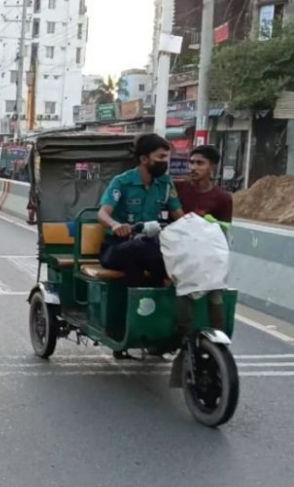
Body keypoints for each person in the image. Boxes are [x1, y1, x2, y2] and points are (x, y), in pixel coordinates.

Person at [170, 145, 233, 388]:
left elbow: (225, 231)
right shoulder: (179, 188)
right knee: (184, 294)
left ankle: (217, 344)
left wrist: (213, 223)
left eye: (200, 164)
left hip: (206, 255)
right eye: (192, 163)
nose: (194, 168)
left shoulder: (223, 198)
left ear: (212, 167)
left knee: (216, 297)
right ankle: (185, 342)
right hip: (179, 253)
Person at [97, 133, 184, 287]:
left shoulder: (165, 184)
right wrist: (115, 225)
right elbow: (103, 213)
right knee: (140, 248)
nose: (165, 162)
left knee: (140, 261)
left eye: (166, 157)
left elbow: (179, 215)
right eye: (161, 157)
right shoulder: (122, 182)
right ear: (144, 159)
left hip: (150, 245)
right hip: (117, 246)